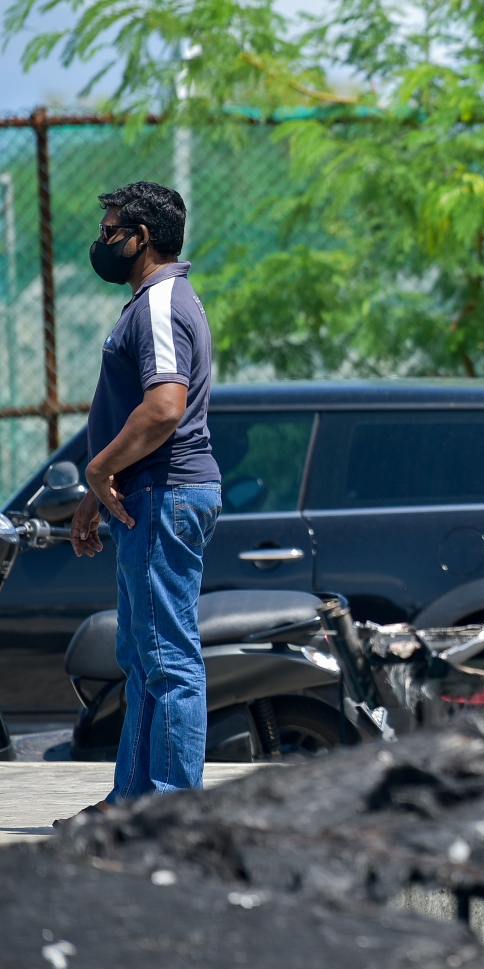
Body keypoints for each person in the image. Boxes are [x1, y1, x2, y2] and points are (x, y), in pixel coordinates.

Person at [64, 181, 220, 818]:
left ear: (141, 238)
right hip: (150, 497)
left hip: (165, 495)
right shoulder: (153, 303)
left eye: (109, 233)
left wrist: (98, 471)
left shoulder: (159, 303)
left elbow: (163, 406)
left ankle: (173, 815)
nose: (100, 244)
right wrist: (96, 491)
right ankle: (130, 805)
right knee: (145, 658)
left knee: (168, 661)